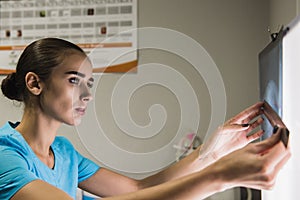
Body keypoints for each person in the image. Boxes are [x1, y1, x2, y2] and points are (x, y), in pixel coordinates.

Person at [0, 38, 290, 200]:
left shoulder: (64, 153)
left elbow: (138, 189)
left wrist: (212, 153)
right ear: (35, 84)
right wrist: (220, 176)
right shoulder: (6, 157)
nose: (87, 94)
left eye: (91, 83)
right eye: (75, 80)